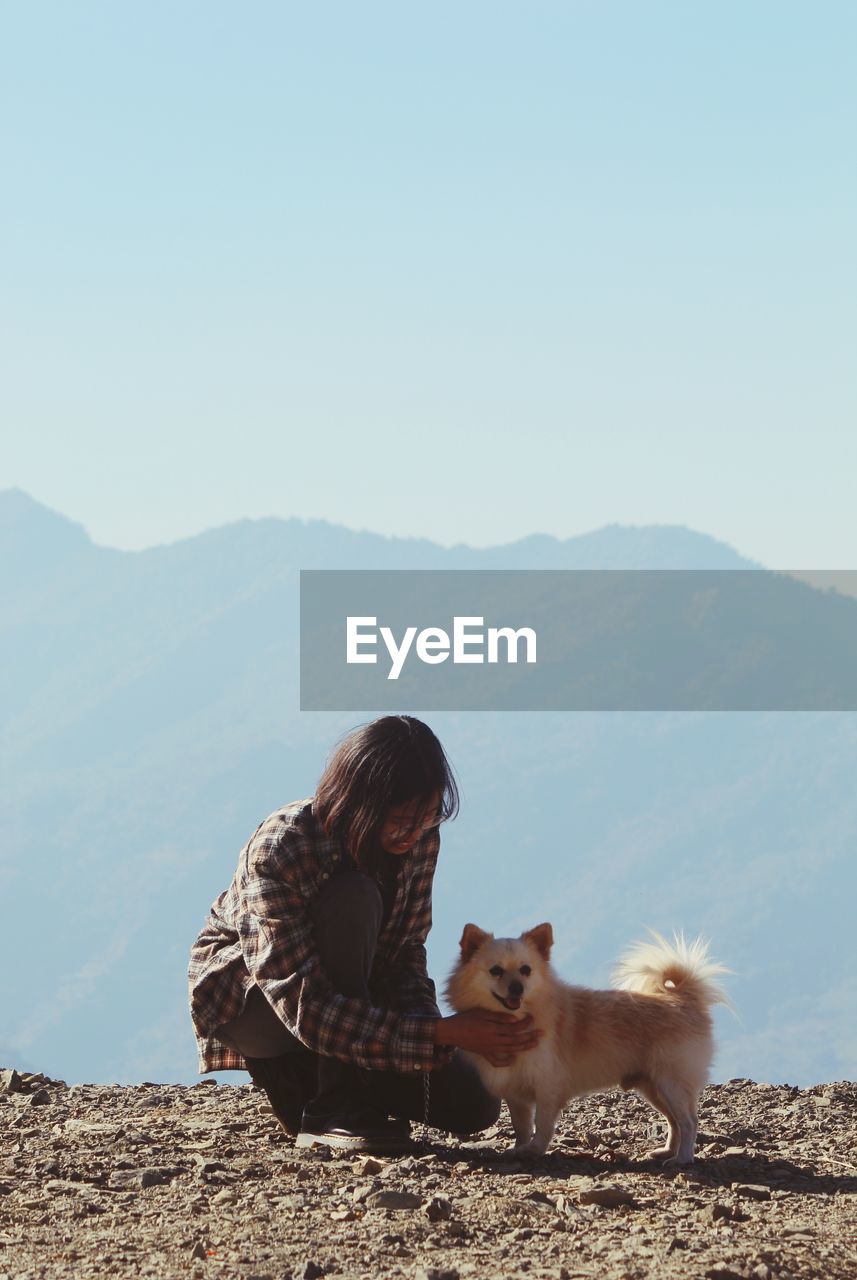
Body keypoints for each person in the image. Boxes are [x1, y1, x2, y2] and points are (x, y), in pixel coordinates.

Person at [187, 714, 541, 1152]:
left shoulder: (419, 839)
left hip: (354, 1006)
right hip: (259, 1006)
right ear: (360, 804)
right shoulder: (283, 847)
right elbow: (304, 1004)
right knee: (355, 897)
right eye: (400, 820)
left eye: (427, 818)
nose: (412, 834)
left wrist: (438, 1039)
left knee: (474, 1104)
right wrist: (439, 1034)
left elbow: (406, 953)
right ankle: (332, 1105)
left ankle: (314, 1085)